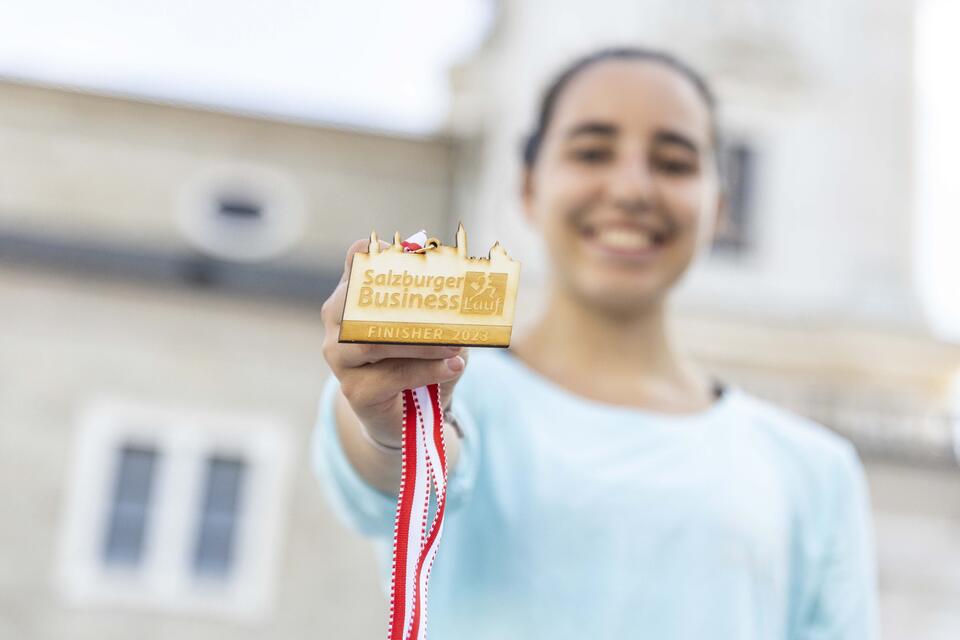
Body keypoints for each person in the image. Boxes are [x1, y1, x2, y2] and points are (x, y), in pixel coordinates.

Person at [315, 47, 879, 639]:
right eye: (591, 152)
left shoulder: (817, 473)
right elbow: (399, 469)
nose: (632, 189)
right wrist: (393, 420)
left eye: (674, 162)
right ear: (529, 188)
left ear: (718, 209)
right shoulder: (447, 387)